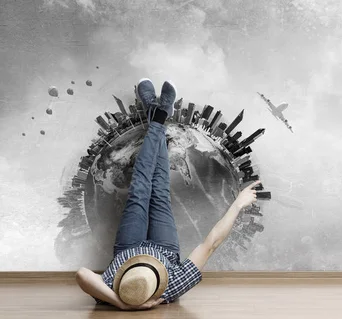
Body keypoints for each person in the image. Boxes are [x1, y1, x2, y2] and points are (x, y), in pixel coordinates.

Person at [75, 78, 261, 311]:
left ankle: (158, 116)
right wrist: (237, 204)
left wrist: (122, 305)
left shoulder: (115, 286)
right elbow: (211, 243)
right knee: (159, 191)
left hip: (127, 248)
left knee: (140, 188)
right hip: (165, 248)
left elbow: (82, 275)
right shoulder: (173, 285)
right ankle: (159, 116)